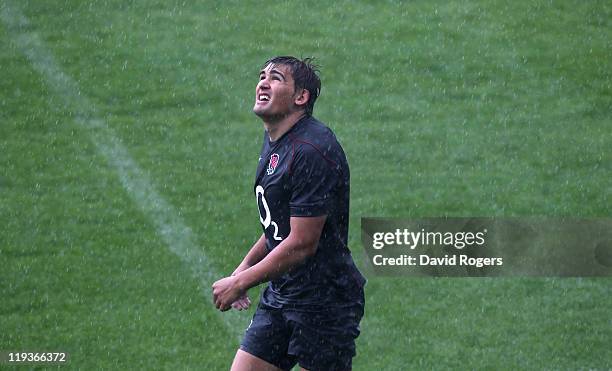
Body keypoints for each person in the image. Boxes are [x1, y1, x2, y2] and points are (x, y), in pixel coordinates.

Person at [212, 56, 366, 371]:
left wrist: (242, 283)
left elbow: (301, 244)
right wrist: (241, 271)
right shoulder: (277, 141)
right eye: (262, 76)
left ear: (301, 97)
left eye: (276, 78)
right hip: (284, 292)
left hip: (324, 303)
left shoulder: (311, 150)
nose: (263, 83)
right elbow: (278, 226)